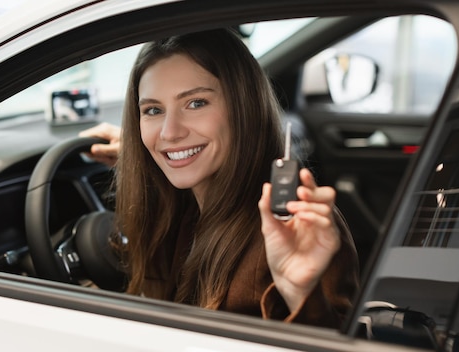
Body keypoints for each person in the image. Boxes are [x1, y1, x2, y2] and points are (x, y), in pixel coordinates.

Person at [79, 28, 359, 328]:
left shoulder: (294, 225)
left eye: (196, 103)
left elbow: (334, 338)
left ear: (243, 108)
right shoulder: (185, 202)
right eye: (153, 110)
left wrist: (301, 294)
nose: (169, 132)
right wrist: (134, 154)